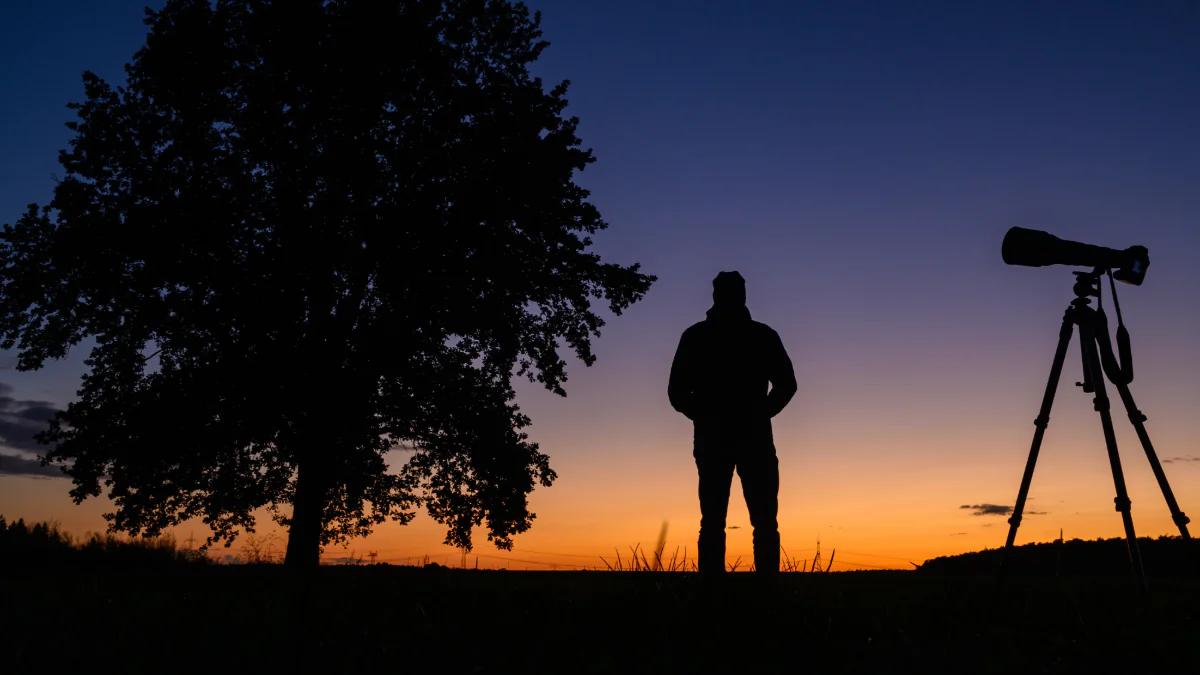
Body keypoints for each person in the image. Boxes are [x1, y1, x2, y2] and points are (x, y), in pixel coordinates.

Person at [668, 271, 797, 576]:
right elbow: (676, 392)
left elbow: (786, 384)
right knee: (739, 521)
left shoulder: (703, 336)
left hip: (738, 437)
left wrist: (758, 412)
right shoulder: (753, 335)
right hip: (737, 437)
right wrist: (757, 412)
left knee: (737, 521)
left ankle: (727, 595)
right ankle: (751, 593)